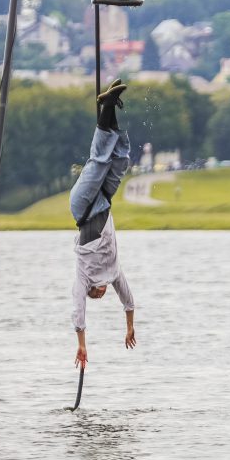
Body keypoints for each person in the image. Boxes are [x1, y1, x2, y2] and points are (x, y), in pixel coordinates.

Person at [69, 79, 137, 370]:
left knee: (98, 161)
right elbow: (129, 298)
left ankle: (107, 105)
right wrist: (130, 325)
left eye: (99, 294)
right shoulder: (114, 273)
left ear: (93, 291)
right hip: (104, 200)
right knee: (119, 160)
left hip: (83, 206)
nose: (104, 291)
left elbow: (77, 311)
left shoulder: (84, 277)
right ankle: (110, 104)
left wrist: (81, 344)